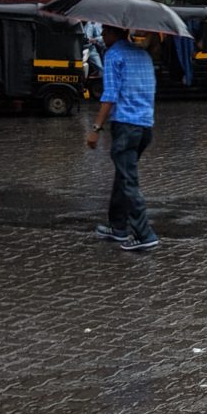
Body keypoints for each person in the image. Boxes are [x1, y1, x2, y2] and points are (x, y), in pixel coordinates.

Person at [87, 24, 160, 252]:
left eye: (105, 32)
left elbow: (109, 94)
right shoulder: (143, 55)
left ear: (112, 34)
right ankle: (118, 226)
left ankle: (144, 234)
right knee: (123, 174)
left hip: (126, 126)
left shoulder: (113, 54)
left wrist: (96, 128)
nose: (102, 36)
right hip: (144, 126)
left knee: (129, 181)